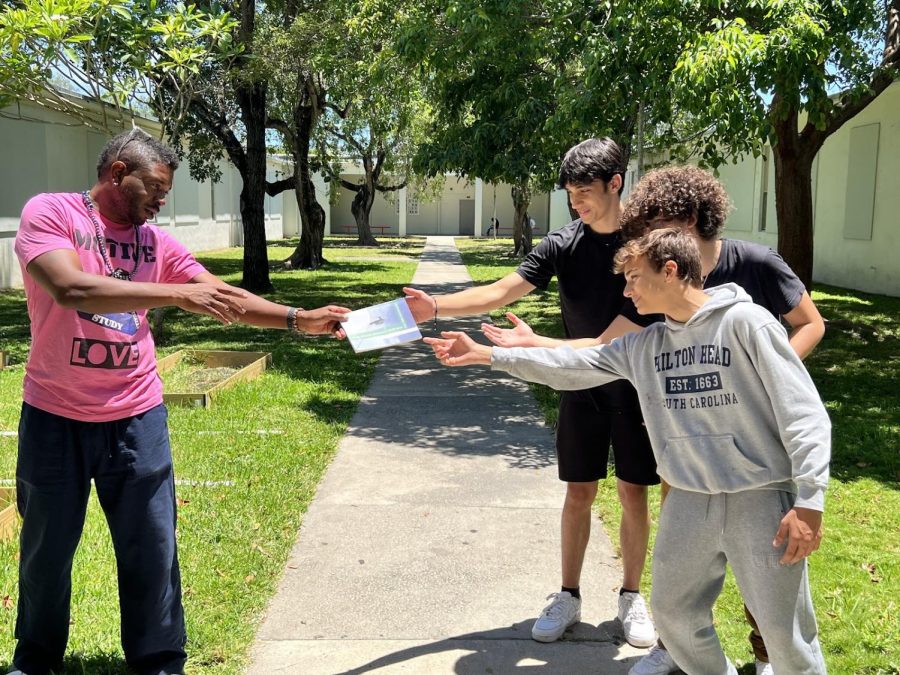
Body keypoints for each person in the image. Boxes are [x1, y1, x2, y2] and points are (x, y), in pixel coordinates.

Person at [10, 128, 349, 675]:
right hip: (55, 415)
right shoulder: (51, 213)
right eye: (156, 187)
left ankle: (160, 663)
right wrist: (176, 293)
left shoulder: (154, 243)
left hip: (136, 414)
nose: (164, 200)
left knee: (152, 549)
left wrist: (297, 319)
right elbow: (70, 288)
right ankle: (35, 660)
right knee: (46, 553)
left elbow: (223, 296)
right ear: (118, 173)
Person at [426, 228, 830, 675]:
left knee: (785, 636)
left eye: (634, 277)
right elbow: (573, 366)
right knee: (674, 617)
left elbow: (803, 412)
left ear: (670, 271)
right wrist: (488, 356)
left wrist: (810, 499)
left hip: (758, 497)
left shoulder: (746, 323)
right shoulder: (646, 345)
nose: (626, 289)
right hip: (691, 502)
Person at [404, 138, 659, 648]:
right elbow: (501, 291)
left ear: (616, 183)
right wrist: (434, 306)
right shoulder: (564, 243)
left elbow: (612, 343)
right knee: (578, 494)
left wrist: (536, 344)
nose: (577, 203)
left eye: (585, 192)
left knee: (634, 493)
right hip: (577, 387)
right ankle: (568, 595)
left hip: (637, 390)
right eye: (569, 194)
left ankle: (632, 596)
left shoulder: (649, 245)